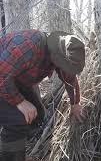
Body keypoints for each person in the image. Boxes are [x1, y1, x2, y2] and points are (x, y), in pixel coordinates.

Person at [0, 30, 86, 161]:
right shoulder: (28, 45)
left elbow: (70, 80)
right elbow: (2, 75)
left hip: (16, 80)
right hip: (3, 78)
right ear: (56, 56)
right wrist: (20, 102)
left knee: (37, 115)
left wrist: (75, 103)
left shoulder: (61, 51)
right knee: (17, 119)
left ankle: (18, 148)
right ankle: (12, 156)